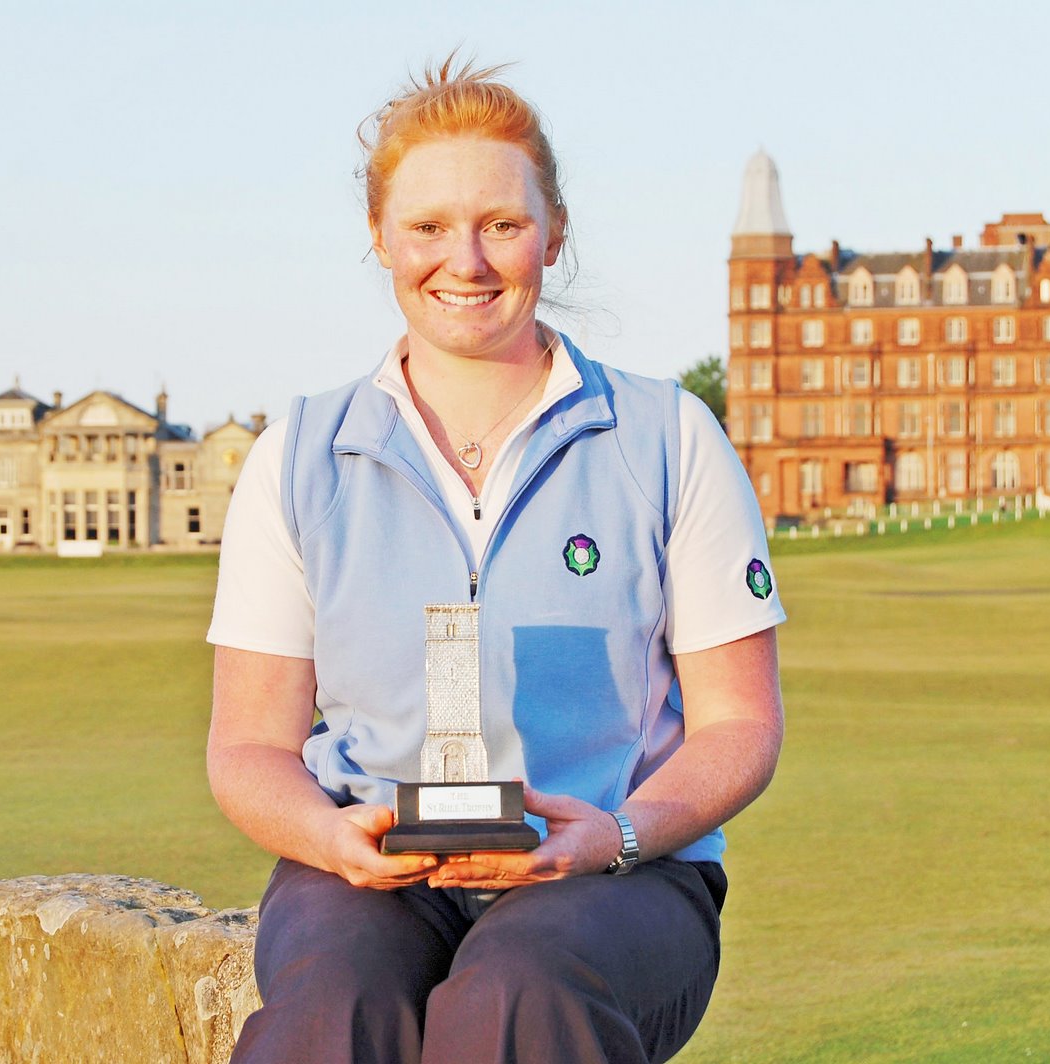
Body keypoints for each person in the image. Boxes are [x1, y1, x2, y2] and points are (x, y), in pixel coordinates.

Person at [205, 56, 786, 1064]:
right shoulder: (298, 454)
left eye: (501, 225)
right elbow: (249, 749)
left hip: (620, 873)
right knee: (326, 1015)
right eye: (427, 226)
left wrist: (618, 834)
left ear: (552, 234)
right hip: (367, 867)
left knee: (516, 998)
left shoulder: (667, 436)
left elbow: (740, 722)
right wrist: (328, 835)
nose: (464, 260)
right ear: (381, 235)